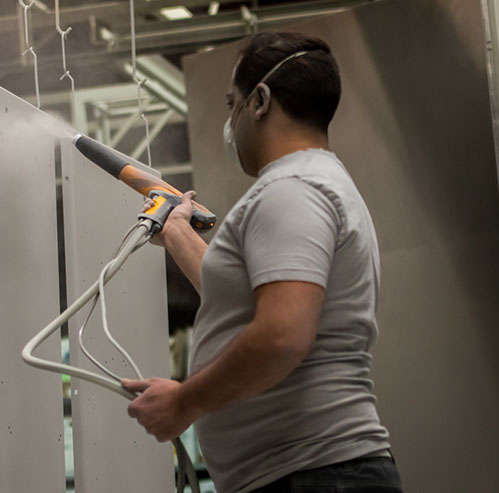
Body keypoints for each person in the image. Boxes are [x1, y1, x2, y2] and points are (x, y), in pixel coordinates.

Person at [121, 32, 403, 493]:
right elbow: (245, 300)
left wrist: (183, 403)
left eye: (232, 103)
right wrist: (177, 233)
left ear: (261, 101)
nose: (230, 120)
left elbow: (282, 335)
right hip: (313, 474)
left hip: (314, 476)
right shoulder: (312, 184)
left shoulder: (293, 191)